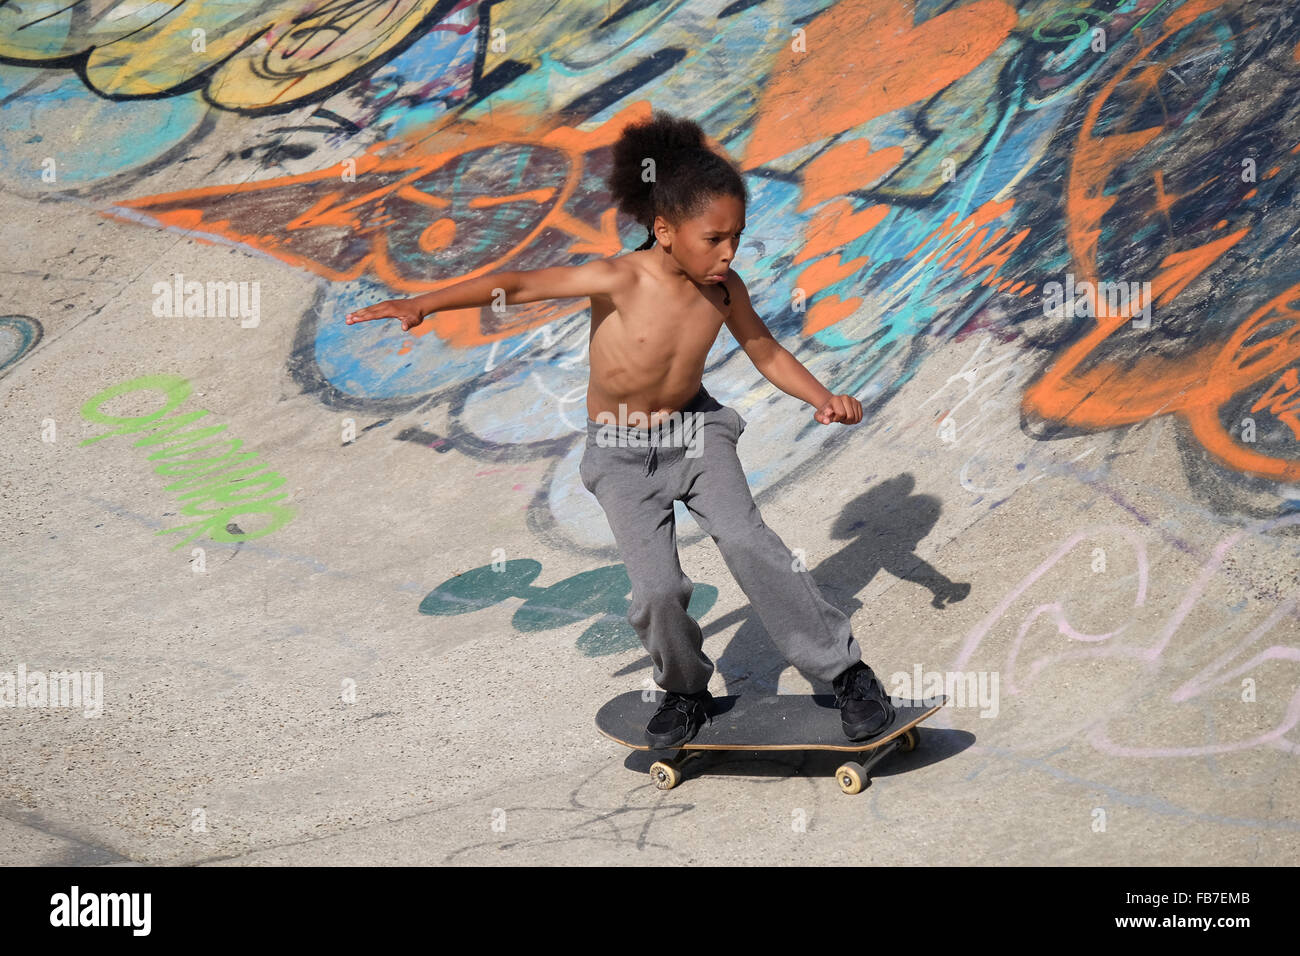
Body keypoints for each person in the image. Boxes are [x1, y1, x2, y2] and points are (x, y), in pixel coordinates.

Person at [346, 111, 895, 748]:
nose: (728, 254)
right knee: (658, 590)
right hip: (622, 453)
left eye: (736, 238)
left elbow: (765, 350)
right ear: (664, 230)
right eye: (713, 239)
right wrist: (425, 302)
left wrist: (822, 397)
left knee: (749, 543)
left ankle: (846, 673)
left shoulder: (725, 289)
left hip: (697, 433)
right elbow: (520, 284)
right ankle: (685, 691)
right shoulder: (617, 278)